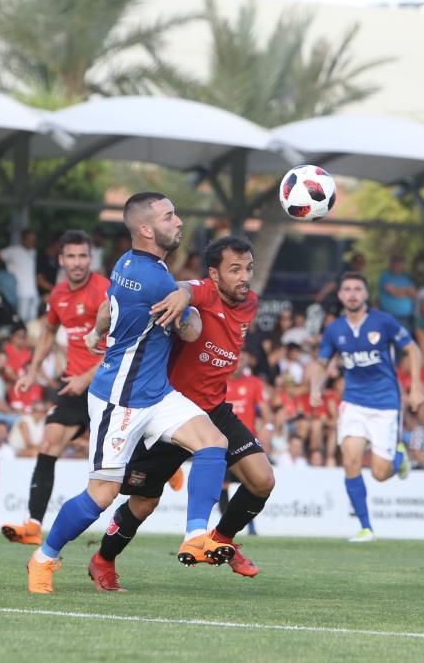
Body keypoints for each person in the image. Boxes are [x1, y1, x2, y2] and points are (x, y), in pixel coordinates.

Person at [25, 192, 232, 594]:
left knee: (212, 442)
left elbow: (107, 307)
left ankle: (195, 535)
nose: (178, 222)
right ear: (145, 229)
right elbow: (192, 332)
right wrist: (189, 304)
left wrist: (98, 330)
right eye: (169, 216)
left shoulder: (127, 263)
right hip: (119, 399)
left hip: (155, 392)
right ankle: (43, 559)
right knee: (101, 494)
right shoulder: (156, 279)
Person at [87, 236, 276, 591]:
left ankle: (221, 538)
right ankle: (103, 560)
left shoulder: (249, 302)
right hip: (170, 411)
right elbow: (183, 290)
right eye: (234, 269)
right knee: (143, 503)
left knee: (263, 480)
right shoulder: (203, 293)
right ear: (214, 274)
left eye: (248, 268)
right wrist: (182, 294)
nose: (244, 276)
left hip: (213, 410)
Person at [0, 230, 111, 545]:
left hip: (108, 384)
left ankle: (162, 465)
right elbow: (49, 332)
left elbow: (122, 343)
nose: (77, 263)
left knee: (125, 459)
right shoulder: (58, 295)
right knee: (48, 444)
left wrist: (86, 377)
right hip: (74, 386)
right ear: (61, 260)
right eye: (71, 257)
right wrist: (31, 371)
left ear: (90, 258)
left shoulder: (105, 291)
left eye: (82, 256)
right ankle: (33, 526)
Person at [309, 272, 424, 542]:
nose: (351, 294)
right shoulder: (335, 328)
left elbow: (413, 350)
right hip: (354, 402)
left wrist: (417, 386)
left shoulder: (383, 321)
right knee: (350, 460)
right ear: (340, 295)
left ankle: (399, 457)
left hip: (386, 403)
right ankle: (365, 528)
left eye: (357, 289)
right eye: (346, 289)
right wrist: (315, 387)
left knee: (381, 474)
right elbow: (322, 363)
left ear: (365, 294)